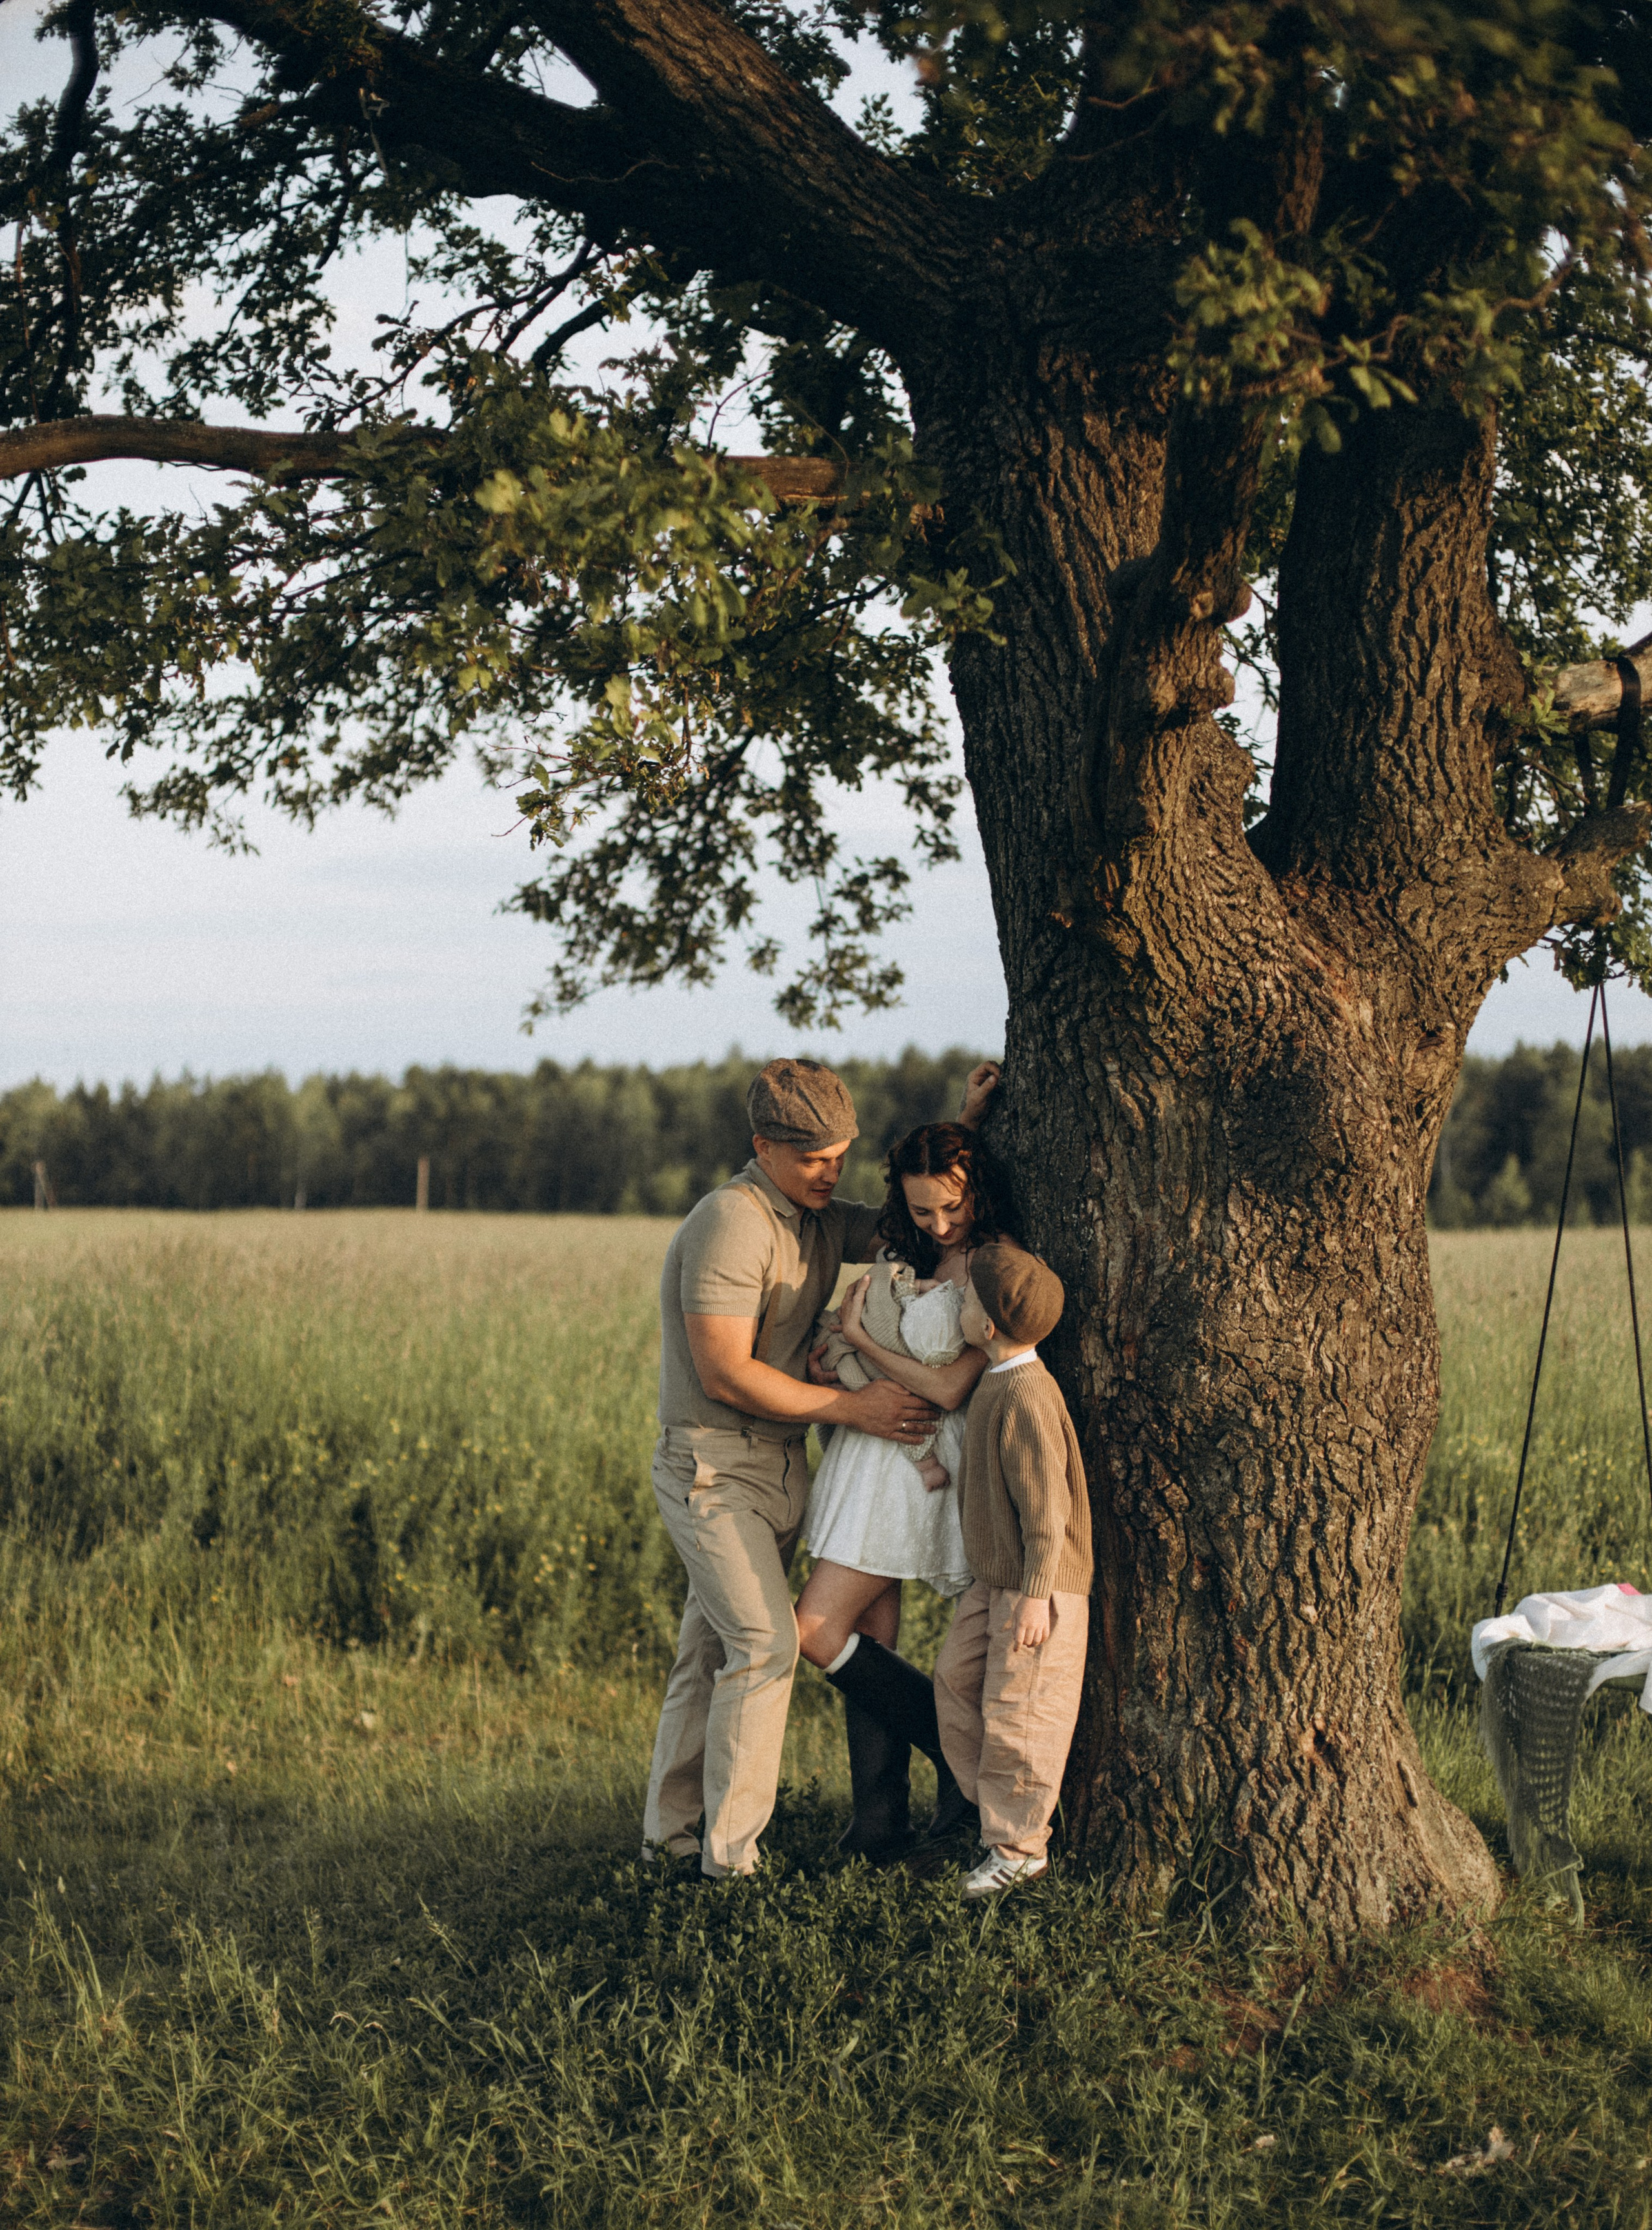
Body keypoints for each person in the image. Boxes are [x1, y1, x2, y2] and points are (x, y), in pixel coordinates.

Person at [641, 1055, 1000, 1880]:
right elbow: (726, 1371)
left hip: (780, 1465)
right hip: (715, 1467)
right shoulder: (732, 1222)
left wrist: (965, 1126)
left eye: (840, 1155)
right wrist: (853, 1406)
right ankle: (730, 1870)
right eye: (813, 1158)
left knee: (710, 1651)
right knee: (769, 1645)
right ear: (764, 1146)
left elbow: (911, 1220)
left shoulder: (811, 1215)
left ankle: (669, 1840)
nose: (829, 1172)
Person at [794, 1117, 1020, 1861]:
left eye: (953, 1207)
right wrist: (836, 1361)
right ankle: (878, 1822)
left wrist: (859, 1344)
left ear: (977, 1191)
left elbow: (954, 1387)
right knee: (870, 1637)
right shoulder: (914, 1246)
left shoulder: (991, 1262)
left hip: (914, 1458)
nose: (941, 1222)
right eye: (924, 1210)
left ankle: (964, 1764)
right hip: (869, 1448)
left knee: (814, 1629)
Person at [932, 1244, 1094, 1898]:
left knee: (1020, 1712)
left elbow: (1047, 1509)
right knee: (955, 1680)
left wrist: (1035, 1597)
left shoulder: (1026, 1393)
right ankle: (992, 1812)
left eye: (968, 1300)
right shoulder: (996, 1381)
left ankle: (1019, 1847)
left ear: (989, 1326)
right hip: (996, 1580)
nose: (960, 1306)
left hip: (1038, 1584)